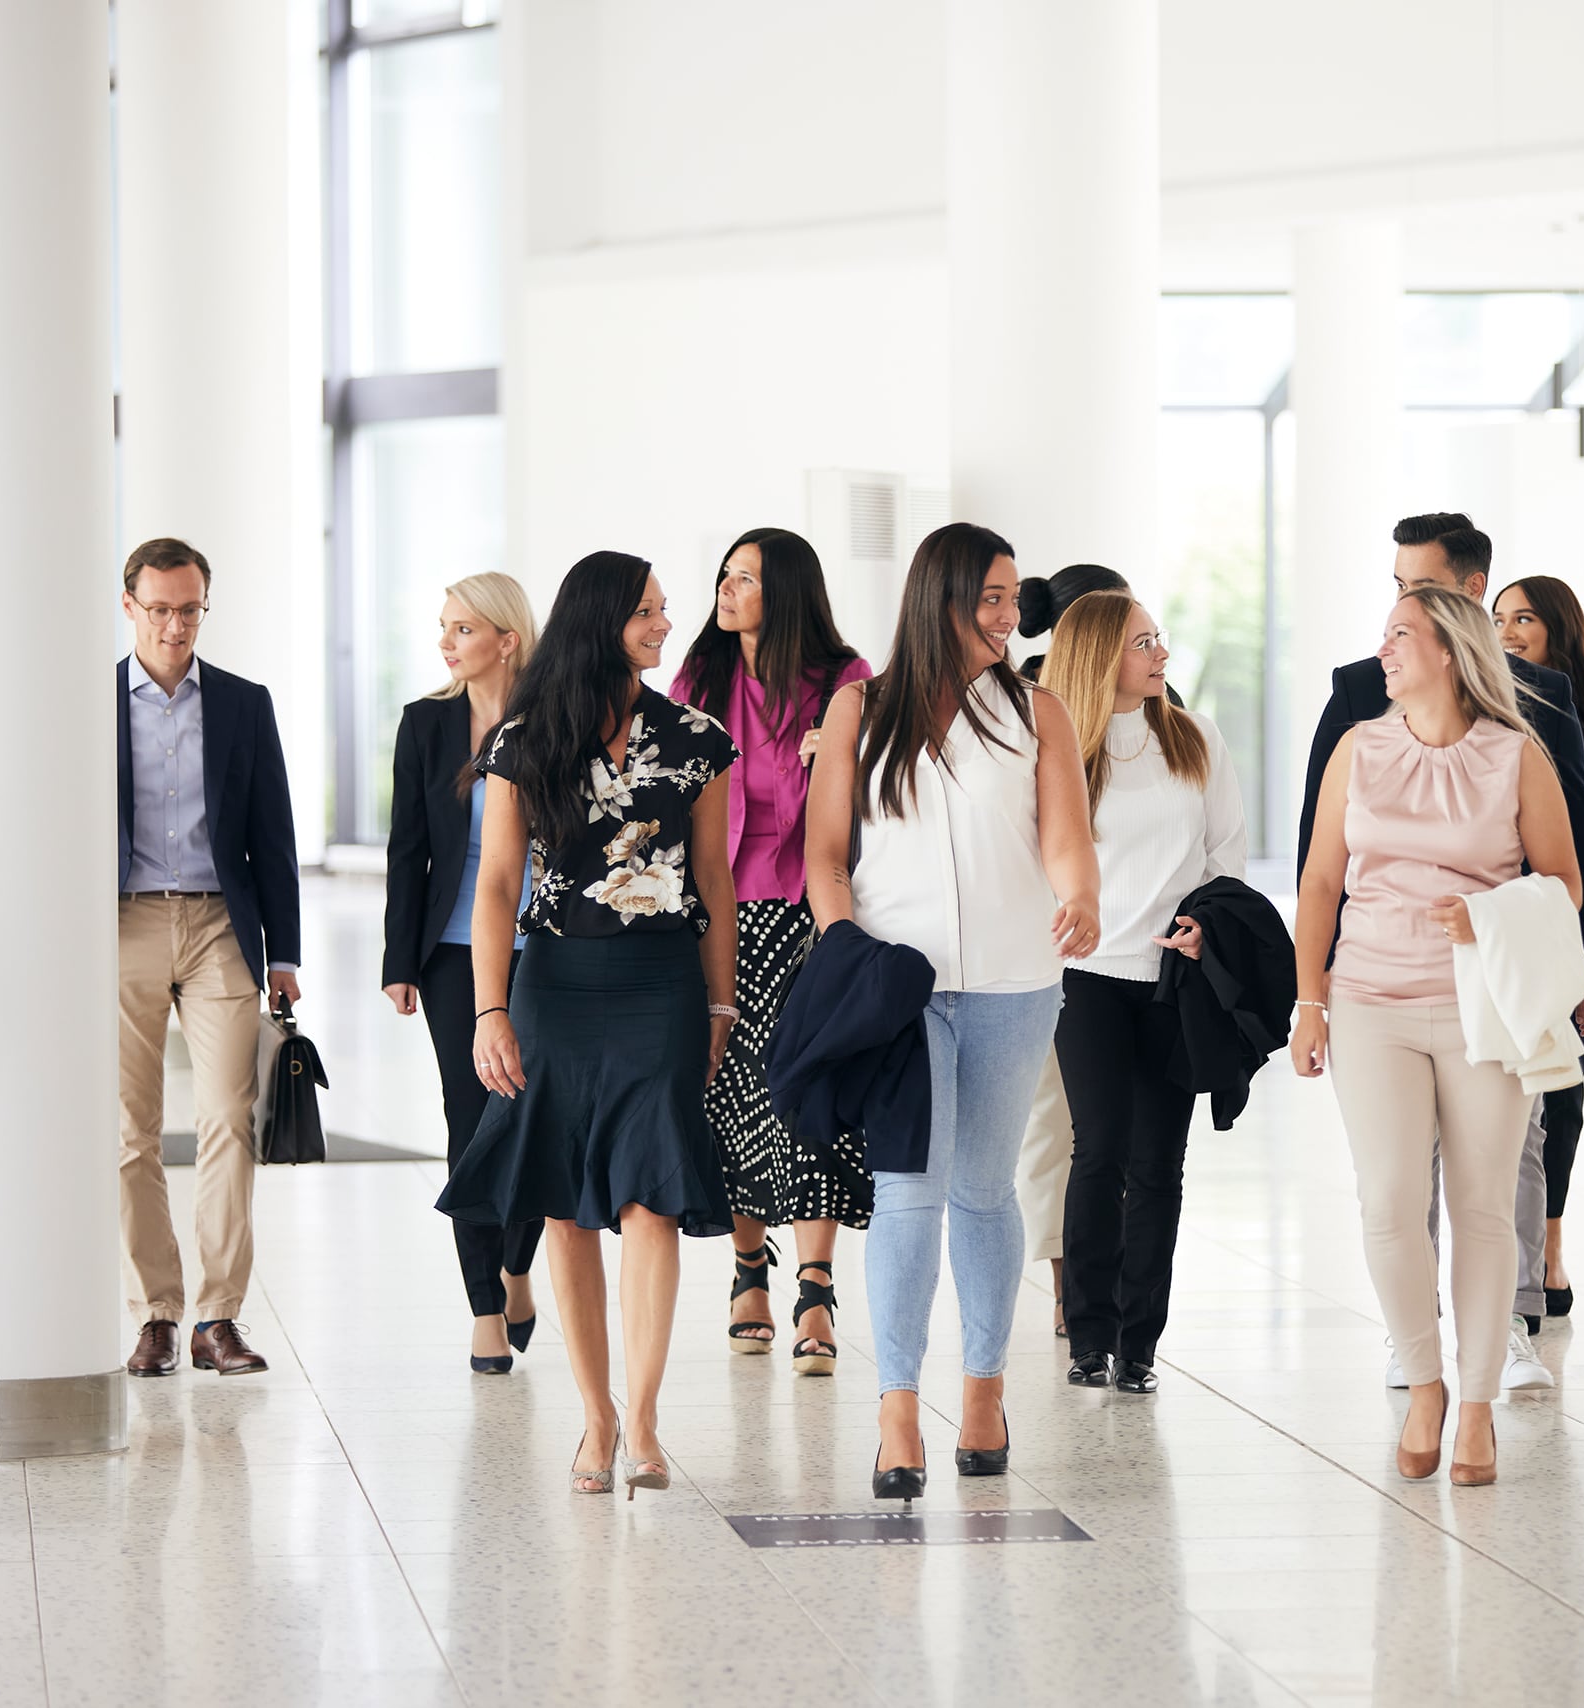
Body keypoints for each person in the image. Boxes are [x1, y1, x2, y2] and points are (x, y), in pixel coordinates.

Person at [802, 521, 1100, 1499]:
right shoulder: (860, 710)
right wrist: (844, 942)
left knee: (981, 1187)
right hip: (898, 987)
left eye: (1013, 598)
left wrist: (1080, 894)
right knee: (908, 1190)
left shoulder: (1036, 712)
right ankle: (896, 1411)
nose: (1009, 616)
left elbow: (1064, 837)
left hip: (1016, 981)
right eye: (991, 598)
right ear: (941, 599)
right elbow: (826, 858)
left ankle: (981, 1391)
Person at [437, 550, 740, 1499]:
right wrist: (491, 1008)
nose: (663, 624)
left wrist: (722, 1001)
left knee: (652, 1196)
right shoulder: (525, 741)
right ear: (602, 620)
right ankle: (596, 1417)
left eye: (663, 609)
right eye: (648, 611)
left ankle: (645, 1422)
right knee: (568, 1205)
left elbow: (716, 882)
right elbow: (493, 886)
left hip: (661, 988)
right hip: (554, 987)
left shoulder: (697, 737)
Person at [1296, 513, 1584, 1391]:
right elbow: (1318, 868)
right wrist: (1311, 993)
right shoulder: (1360, 711)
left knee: (1497, 1181)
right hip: (1372, 992)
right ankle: (1419, 1354)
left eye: (1411, 595)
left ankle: (1491, 1357)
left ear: (1458, 610)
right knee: (1393, 1192)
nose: (1393, 613)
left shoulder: (1529, 725)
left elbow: (1575, 861)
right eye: (1394, 589)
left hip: (1491, 996)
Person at [670, 528, 873, 1376]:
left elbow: (886, 785)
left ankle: (817, 1288)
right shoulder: (701, 679)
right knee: (734, 1094)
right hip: (719, 917)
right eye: (724, 574)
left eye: (745, 578)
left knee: (812, 1091)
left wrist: (844, 758)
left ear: (784, 591)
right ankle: (750, 1267)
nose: (726, 589)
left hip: (815, 914)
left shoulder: (845, 681)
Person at [1039, 592, 1246, 1394]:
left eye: (1159, 639)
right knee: (1098, 1152)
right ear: (1098, 658)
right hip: (1084, 977)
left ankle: (1141, 1346)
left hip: (1174, 978)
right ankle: (1087, 1333)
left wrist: (1205, 925)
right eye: (1142, 644)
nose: (1161, 655)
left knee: (1161, 1163)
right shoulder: (1056, 750)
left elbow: (1225, 854)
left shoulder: (1195, 739)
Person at [116, 537, 303, 1380]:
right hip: (125, 924)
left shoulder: (242, 703)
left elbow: (275, 835)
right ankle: (156, 1310)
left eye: (189, 610)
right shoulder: (91, 704)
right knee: (132, 1130)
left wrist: (285, 953)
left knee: (230, 1117)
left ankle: (217, 1316)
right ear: (130, 607)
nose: (175, 625)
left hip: (223, 925)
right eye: (159, 609)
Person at [382, 572, 545, 1374]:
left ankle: (518, 1264)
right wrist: (398, 960)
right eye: (443, 627)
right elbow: (406, 848)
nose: (444, 643)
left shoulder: (555, 719)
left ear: (506, 640)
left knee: (535, 1121)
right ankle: (485, 1303)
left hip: (546, 952)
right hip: (452, 952)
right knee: (471, 1121)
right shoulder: (426, 724)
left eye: (461, 629)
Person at [1013, 560, 1179, 1338]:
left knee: (1098, 1142)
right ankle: (1072, 1292)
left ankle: (1092, 1298)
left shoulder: (1166, 723)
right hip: (1059, 957)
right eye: (1134, 638)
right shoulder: (1032, 711)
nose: (1151, 653)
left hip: (1131, 960)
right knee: (1068, 1137)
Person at [1492, 574, 1584, 1324]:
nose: (1509, 631)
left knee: (1562, 1098)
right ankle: (1504, 1264)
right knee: (1513, 1103)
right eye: (1499, 618)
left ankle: (1548, 1247)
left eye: (1526, 619)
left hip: (1574, 927)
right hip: (1506, 924)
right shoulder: (1492, 701)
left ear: (1559, 630)